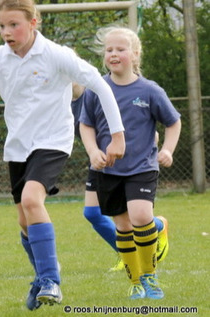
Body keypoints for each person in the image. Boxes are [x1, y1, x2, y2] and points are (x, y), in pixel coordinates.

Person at [0, 0, 125, 310]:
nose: (6, 32)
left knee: (31, 199)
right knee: (24, 221)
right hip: (17, 148)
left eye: (13, 25)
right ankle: (42, 277)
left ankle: (51, 280)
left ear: (33, 21)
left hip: (53, 142)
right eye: (1, 26)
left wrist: (117, 135)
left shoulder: (56, 55)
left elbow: (98, 83)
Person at [79, 26, 181, 299]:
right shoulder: (96, 90)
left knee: (140, 217)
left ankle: (150, 276)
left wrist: (168, 150)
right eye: (109, 50)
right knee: (123, 226)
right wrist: (92, 151)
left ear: (135, 55)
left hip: (142, 167)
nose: (113, 54)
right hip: (109, 170)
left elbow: (173, 122)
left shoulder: (149, 90)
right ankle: (135, 280)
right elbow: (85, 125)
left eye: (120, 49)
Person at [72, 87, 169, 272]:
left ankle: (158, 226)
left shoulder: (98, 91)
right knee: (92, 213)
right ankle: (128, 254)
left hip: (125, 160)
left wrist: (148, 143)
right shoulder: (64, 100)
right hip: (100, 159)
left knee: (133, 217)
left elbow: (137, 122)